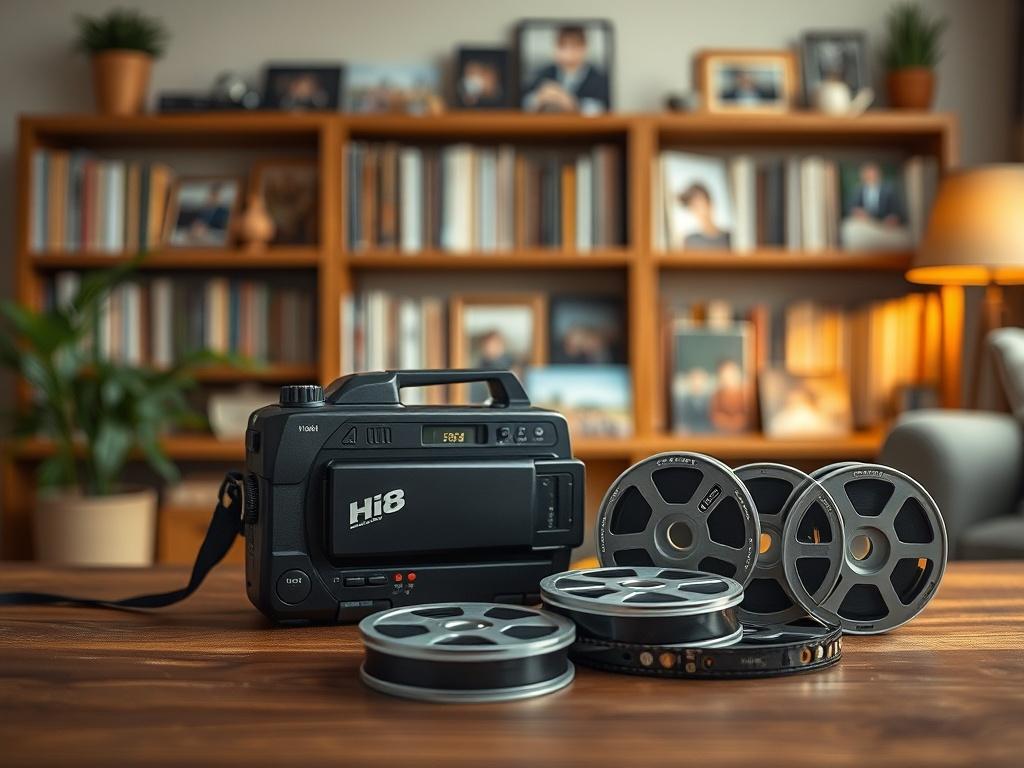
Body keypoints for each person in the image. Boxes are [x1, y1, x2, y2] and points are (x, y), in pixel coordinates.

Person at [522, 25, 609, 114]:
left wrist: (570, 103)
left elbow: (600, 109)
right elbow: (523, 102)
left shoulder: (598, 78)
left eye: (574, 46)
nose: (568, 52)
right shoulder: (543, 73)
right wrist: (540, 98)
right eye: (563, 46)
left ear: (584, 48)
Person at [846, 161, 905, 225]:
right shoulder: (858, 190)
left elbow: (896, 210)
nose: (870, 176)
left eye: (872, 173)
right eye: (867, 173)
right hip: (865, 222)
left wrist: (893, 217)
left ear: (879, 174)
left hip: (885, 223)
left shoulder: (889, 189)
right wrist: (857, 212)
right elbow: (851, 207)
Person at [678, 183, 731, 249]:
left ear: (710, 203)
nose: (697, 209)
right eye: (692, 205)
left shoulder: (730, 238)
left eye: (698, 203)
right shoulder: (690, 240)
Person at [709, 359, 748, 433]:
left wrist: (738, 421)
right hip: (723, 434)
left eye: (731, 373)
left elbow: (749, 417)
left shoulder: (746, 393)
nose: (728, 376)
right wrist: (728, 422)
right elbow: (714, 417)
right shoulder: (717, 394)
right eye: (725, 373)